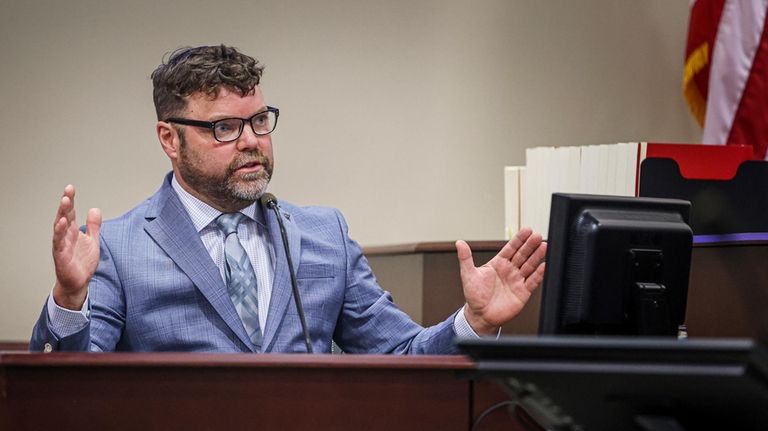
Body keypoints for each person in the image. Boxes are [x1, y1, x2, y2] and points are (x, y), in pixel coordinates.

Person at [30, 45, 546, 354]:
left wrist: (474, 323)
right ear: (170, 138)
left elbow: (403, 354)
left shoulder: (325, 234)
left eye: (258, 120)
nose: (252, 140)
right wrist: (70, 301)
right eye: (225, 128)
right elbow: (70, 387)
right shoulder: (119, 246)